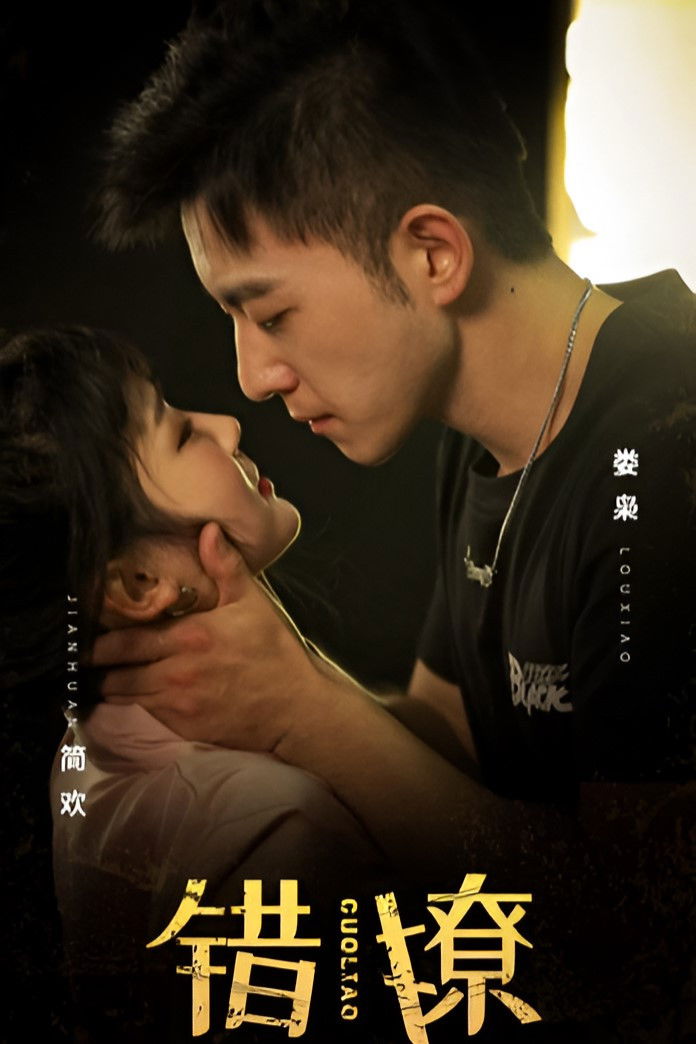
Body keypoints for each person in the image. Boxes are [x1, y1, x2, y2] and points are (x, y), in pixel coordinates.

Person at [93, 1, 695, 1038]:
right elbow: (448, 743)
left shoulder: (667, 461)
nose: (253, 375)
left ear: (432, 254)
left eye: (270, 313)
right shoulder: (487, 428)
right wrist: (256, 668)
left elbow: (647, 944)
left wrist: (299, 708)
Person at [0, 326, 388, 1041]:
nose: (229, 424)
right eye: (179, 435)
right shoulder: (277, 830)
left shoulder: (85, 751)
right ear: (137, 583)